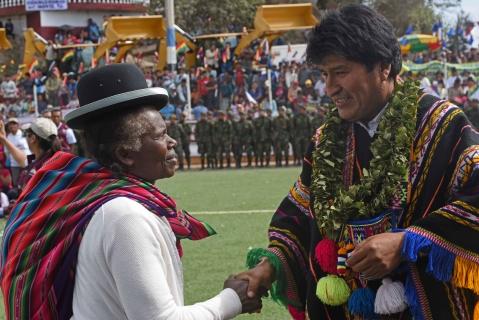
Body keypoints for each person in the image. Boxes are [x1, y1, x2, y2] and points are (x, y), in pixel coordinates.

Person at [236, 5, 479, 320]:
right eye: (324, 74)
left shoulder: (443, 125)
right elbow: (298, 214)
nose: (330, 88)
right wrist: (267, 267)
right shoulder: (326, 139)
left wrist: (406, 242)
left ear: (384, 67)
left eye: (340, 71)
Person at [0, 64, 261, 320]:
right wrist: (231, 299)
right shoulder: (124, 216)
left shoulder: (106, 203)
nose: (172, 142)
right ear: (125, 154)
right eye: (160, 136)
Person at [17, 117, 61, 190]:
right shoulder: (60, 158)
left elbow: (24, 197)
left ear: (33, 139)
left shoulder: (35, 171)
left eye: (27, 134)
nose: (26, 138)